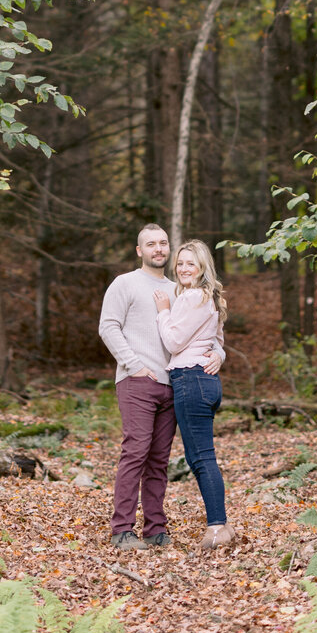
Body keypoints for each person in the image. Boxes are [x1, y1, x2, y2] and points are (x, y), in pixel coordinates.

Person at [98, 223, 221, 550]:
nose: (158, 249)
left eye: (163, 243)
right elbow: (108, 327)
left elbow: (210, 330)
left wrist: (219, 353)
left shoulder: (180, 288)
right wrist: (133, 365)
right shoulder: (124, 284)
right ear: (140, 250)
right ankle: (122, 529)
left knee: (158, 459)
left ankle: (156, 529)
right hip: (136, 381)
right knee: (135, 451)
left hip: (174, 385)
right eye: (150, 244)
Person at [155, 239, 236, 550]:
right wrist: (220, 355)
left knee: (202, 458)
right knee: (200, 457)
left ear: (203, 268)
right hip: (205, 381)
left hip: (191, 378)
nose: (183, 268)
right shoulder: (208, 298)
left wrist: (163, 312)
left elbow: (174, 342)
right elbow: (217, 341)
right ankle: (221, 523)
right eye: (180, 262)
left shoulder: (191, 297)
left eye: (191, 263)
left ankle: (218, 526)